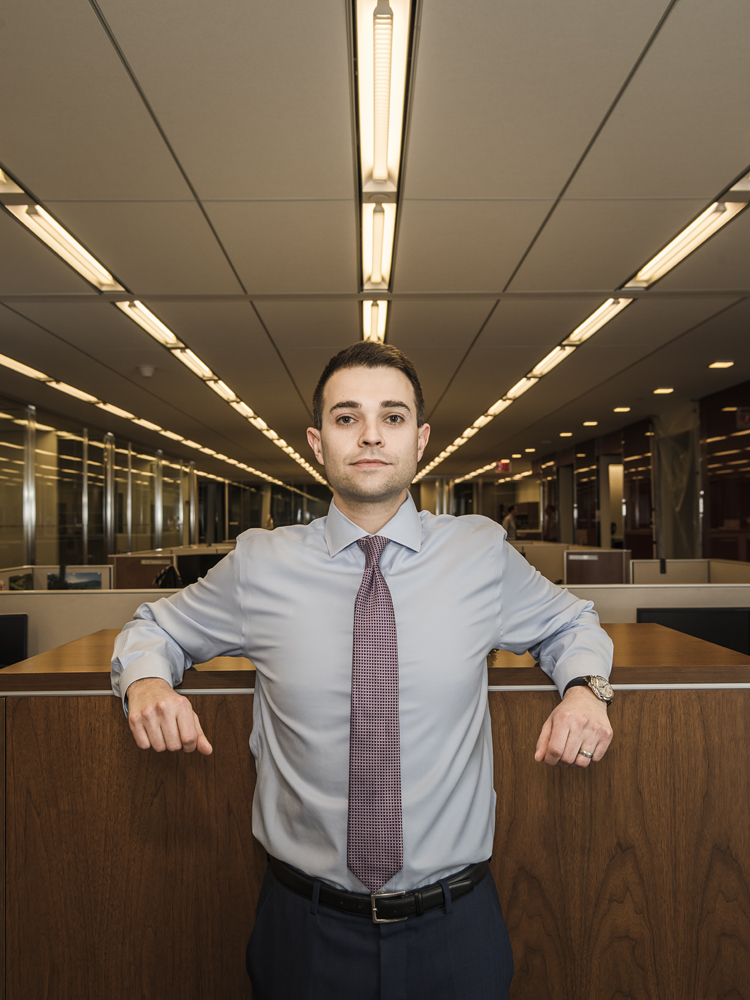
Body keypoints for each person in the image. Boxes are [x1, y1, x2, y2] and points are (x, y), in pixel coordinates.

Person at [111, 341, 614, 1000]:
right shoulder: (260, 563)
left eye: (393, 417)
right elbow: (153, 627)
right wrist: (147, 681)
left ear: (421, 439)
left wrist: (584, 689)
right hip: (303, 929)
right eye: (347, 418)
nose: (371, 434)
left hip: (455, 927)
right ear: (318, 443)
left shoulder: (479, 553)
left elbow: (570, 623)